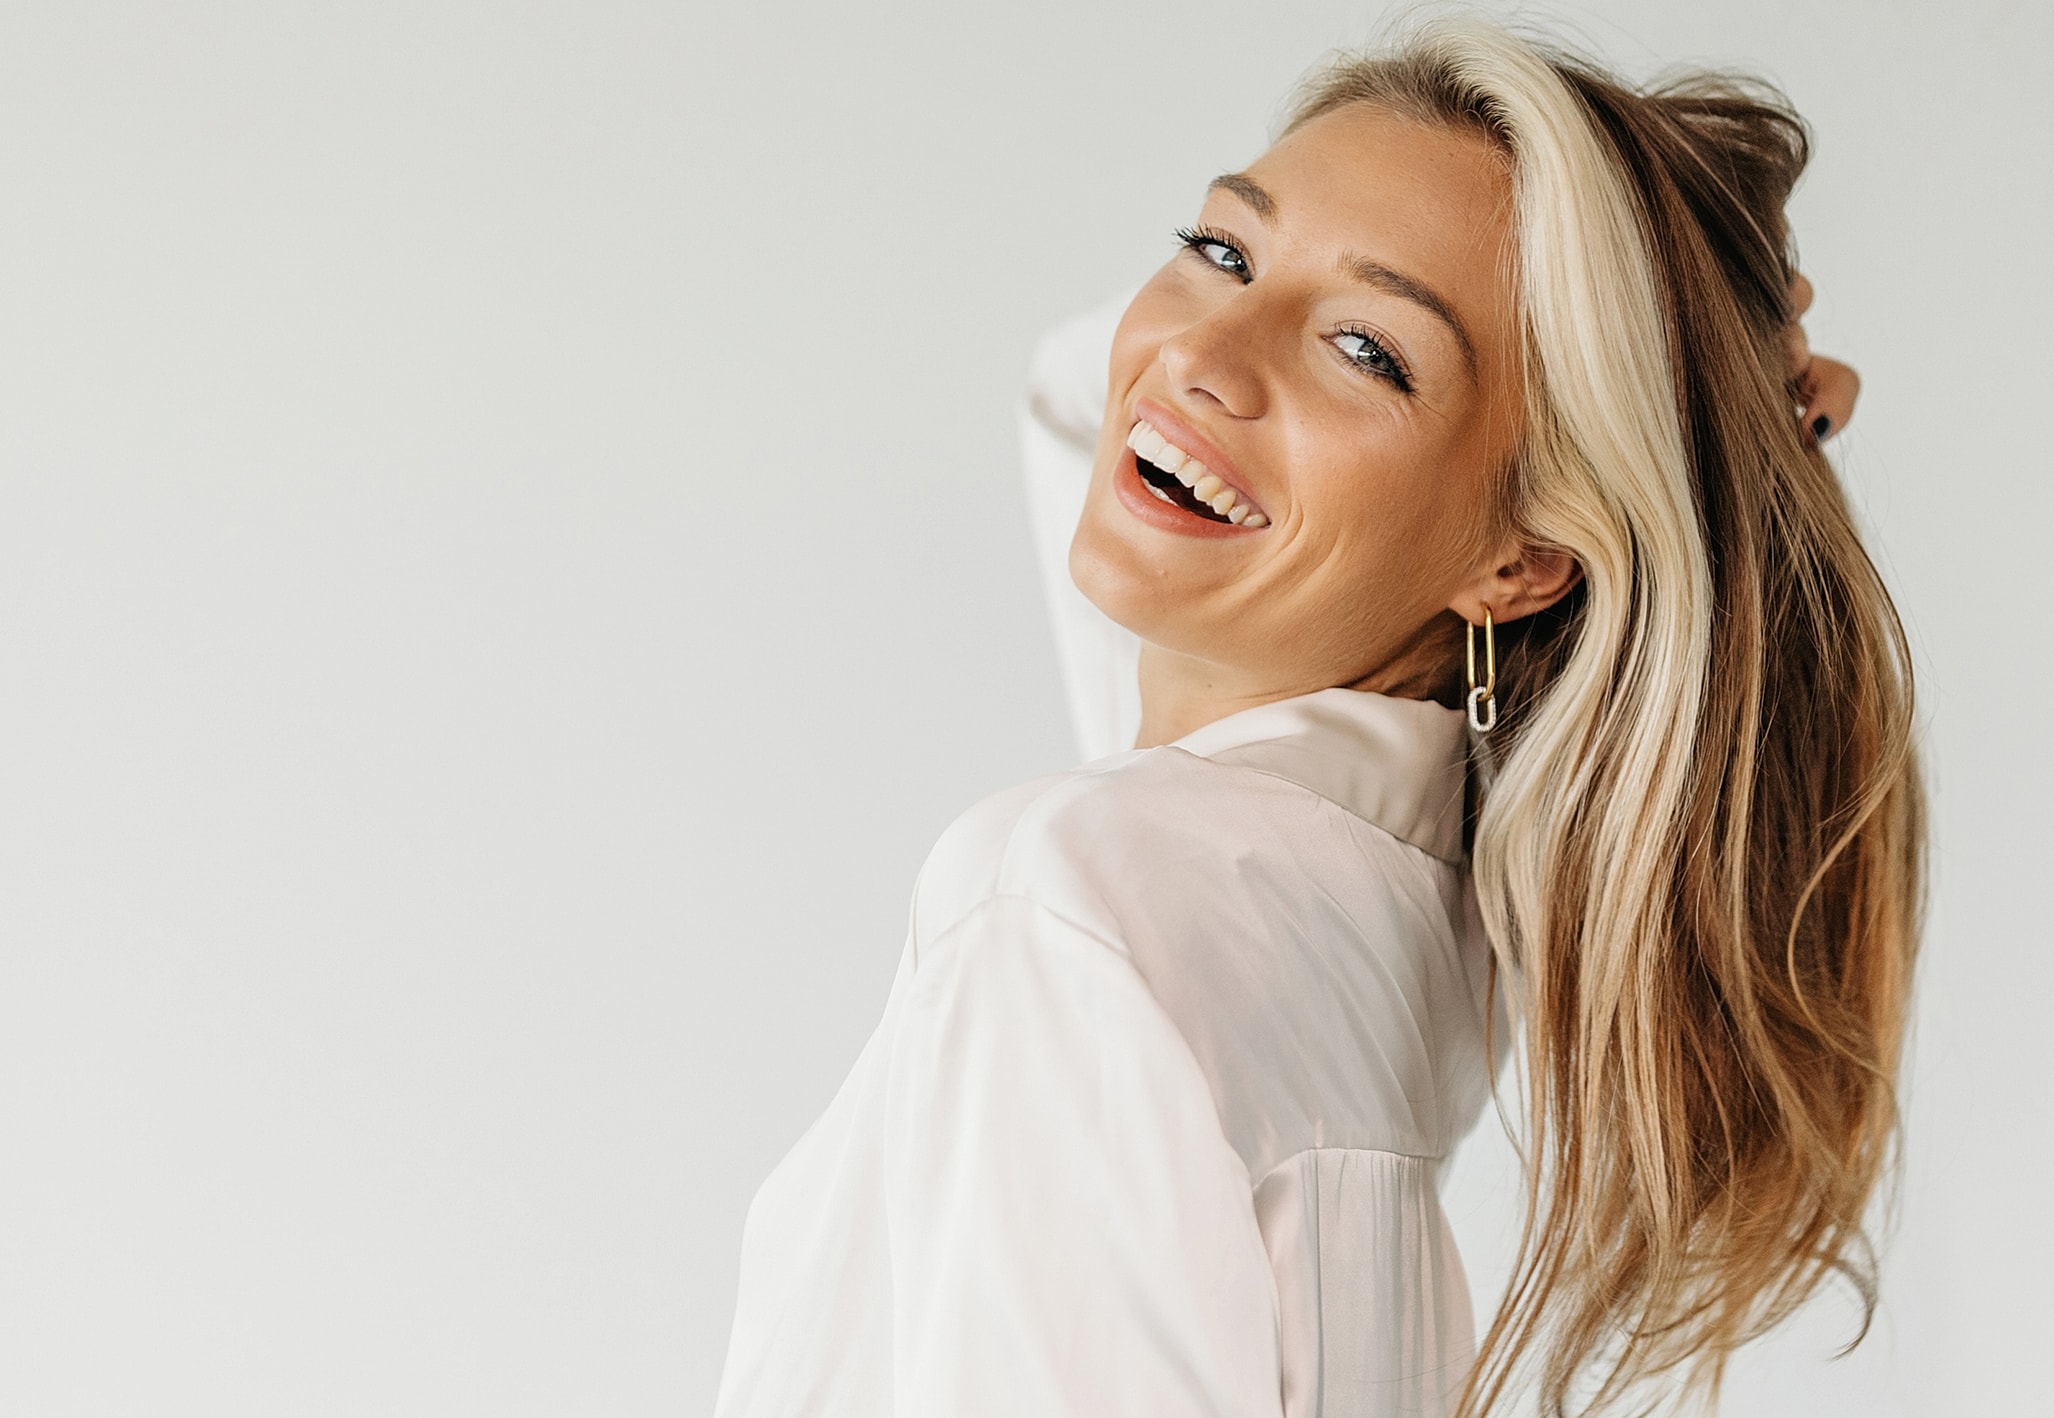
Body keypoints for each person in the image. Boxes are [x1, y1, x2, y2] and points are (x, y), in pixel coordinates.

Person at [713, 18, 1919, 1418]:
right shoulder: (1409, 901)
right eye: (1219, 248)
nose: (1199, 358)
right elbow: (1084, 390)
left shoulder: (1074, 909)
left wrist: (1714, 416)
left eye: (1369, 350)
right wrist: (1711, 420)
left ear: (1521, 561)